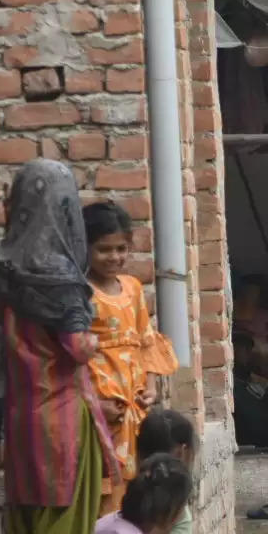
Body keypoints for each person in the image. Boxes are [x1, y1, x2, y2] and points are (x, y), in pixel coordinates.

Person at [0, 158, 119, 534]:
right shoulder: (58, 273)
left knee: (26, 526)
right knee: (63, 526)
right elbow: (79, 348)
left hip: (17, 412)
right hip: (59, 416)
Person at [82, 201, 180, 514]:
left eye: (121, 248)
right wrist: (95, 404)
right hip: (105, 406)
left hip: (136, 404)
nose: (114, 257)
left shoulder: (133, 288)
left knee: (142, 480)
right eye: (103, 249)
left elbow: (146, 339)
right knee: (108, 485)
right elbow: (74, 356)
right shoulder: (81, 293)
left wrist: (150, 385)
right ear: (84, 247)